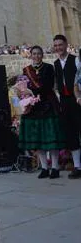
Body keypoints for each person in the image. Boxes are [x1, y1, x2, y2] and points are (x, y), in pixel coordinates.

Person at [18, 46, 65, 179]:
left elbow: (48, 85)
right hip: (33, 108)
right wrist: (24, 95)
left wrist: (32, 92)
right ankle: (44, 167)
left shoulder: (49, 68)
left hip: (48, 105)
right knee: (38, 138)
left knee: (51, 138)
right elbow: (23, 87)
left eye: (39, 53)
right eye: (34, 54)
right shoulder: (26, 70)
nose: (37, 56)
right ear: (31, 55)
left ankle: (55, 167)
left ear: (42, 55)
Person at [53, 35, 81, 179]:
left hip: (77, 100)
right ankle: (77, 166)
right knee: (71, 133)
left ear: (66, 45)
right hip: (65, 101)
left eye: (60, 45)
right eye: (56, 45)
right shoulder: (56, 63)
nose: (58, 47)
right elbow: (57, 84)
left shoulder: (76, 60)